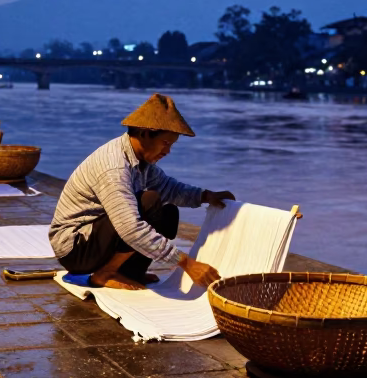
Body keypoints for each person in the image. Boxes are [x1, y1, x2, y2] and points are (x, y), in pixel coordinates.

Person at [49, 93, 234, 290]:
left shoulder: (141, 161)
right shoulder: (115, 167)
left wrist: (206, 196)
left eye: (171, 145)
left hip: (98, 241)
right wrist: (187, 263)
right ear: (145, 133)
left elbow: (168, 188)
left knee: (168, 213)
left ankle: (127, 272)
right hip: (76, 248)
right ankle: (105, 273)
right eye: (165, 143)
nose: (167, 151)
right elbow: (130, 228)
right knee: (149, 201)